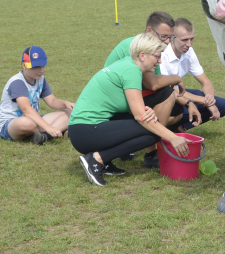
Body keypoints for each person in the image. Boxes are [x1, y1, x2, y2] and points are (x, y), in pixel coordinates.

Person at [69, 34, 198, 186]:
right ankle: (96, 159)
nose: (160, 61)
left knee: (153, 124)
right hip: (85, 131)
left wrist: (147, 111)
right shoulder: (131, 70)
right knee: (154, 131)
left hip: (84, 128)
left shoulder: (128, 64)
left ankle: (105, 162)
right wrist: (172, 137)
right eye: (157, 56)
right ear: (142, 56)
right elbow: (139, 116)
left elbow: (132, 109)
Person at [104, 11, 200, 171]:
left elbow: (158, 85)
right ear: (149, 30)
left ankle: (133, 144)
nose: (167, 42)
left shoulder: (151, 50)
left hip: (128, 99)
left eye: (170, 37)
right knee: (167, 96)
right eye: (164, 36)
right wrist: (176, 78)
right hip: (113, 107)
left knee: (176, 109)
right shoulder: (134, 47)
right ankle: (150, 151)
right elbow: (153, 84)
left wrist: (189, 102)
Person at [0, 46, 74, 144]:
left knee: (71, 113)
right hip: (10, 124)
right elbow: (26, 110)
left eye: (43, 66)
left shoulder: (40, 79)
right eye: (36, 67)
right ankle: (57, 130)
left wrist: (66, 103)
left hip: (33, 119)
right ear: (24, 65)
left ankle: (45, 136)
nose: (41, 70)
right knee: (25, 123)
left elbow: (52, 101)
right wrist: (48, 127)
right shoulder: (17, 82)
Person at [159, 18, 225, 127]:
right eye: (184, 40)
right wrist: (203, 101)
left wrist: (209, 100)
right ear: (172, 37)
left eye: (191, 39)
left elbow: (205, 81)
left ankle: (181, 127)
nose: (189, 44)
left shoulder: (189, 51)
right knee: (176, 109)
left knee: (222, 105)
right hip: (164, 98)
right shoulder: (162, 55)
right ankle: (167, 127)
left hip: (179, 93)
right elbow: (170, 90)